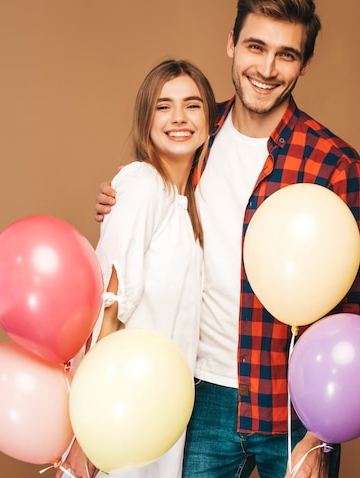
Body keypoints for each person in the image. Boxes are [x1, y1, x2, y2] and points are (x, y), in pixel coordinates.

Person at [94, 1, 360, 477]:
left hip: (292, 410)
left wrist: (318, 435)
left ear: (305, 63)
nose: (266, 69)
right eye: (255, 47)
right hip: (200, 396)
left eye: (286, 55)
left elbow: (353, 311)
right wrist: (117, 198)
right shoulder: (197, 131)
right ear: (231, 43)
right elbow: (152, 206)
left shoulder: (335, 166)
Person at [56, 59, 217, 478]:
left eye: (192, 105)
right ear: (146, 120)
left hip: (161, 414)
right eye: (164, 106)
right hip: (119, 409)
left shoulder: (189, 205)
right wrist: (87, 433)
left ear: (210, 119)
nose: (179, 118)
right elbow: (106, 309)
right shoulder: (141, 184)